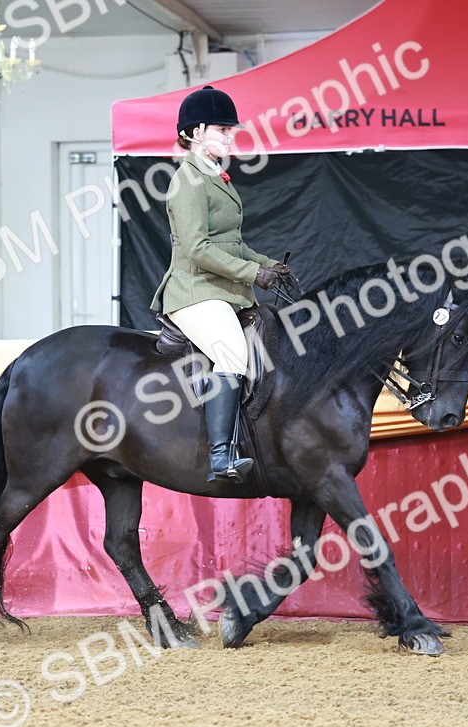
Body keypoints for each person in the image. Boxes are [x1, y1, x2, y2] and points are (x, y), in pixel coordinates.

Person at [150, 86, 289, 484]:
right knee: (232, 352)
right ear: (195, 132)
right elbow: (197, 249)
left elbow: (234, 243)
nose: (231, 137)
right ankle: (220, 457)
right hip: (194, 291)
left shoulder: (215, 177)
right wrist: (252, 275)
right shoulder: (188, 181)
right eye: (222, 130)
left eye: (231, 130)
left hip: (222, 290)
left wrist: (268, 265)